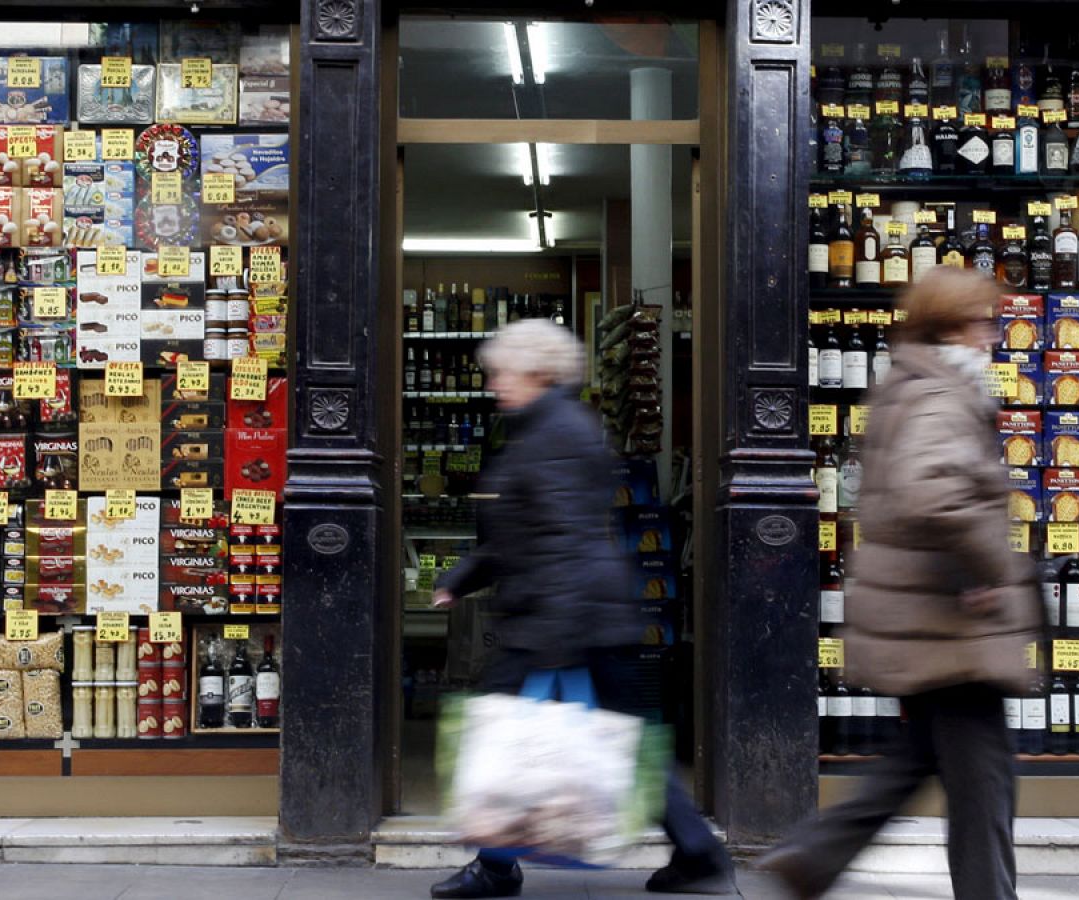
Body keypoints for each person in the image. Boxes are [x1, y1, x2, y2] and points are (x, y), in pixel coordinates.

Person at [760, 268, 1043, 900]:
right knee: (985, 787)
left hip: (925, 624)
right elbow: (930, 494)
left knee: (916, 762)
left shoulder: (909, 385)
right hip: (949, 624)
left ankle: (814, 856)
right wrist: (989, 567)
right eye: (982, 323)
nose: (992, 337)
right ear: (953, 327)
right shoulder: (942, 395)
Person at [430, 319, 734, 899]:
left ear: (539, 372)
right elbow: (527, 530)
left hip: (562, 613)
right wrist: (464, 577)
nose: (494, 383)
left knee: (505, 735)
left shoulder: (554, 434)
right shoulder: (547, 428)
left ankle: (495, 867)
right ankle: (698, 853)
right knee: (622, 739)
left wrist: (555, 634)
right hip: (581, 610)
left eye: (503, 372)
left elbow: (563, 538)